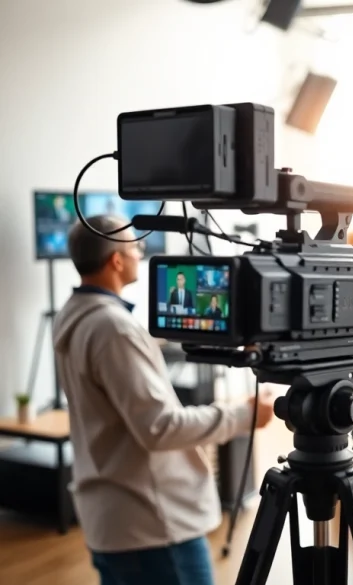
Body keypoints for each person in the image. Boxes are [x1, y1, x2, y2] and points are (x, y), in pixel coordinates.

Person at [53, 216, 275, 585]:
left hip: (111, 519)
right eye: (135, 247)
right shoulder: (113, 328)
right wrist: (243, 414)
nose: (141, 253)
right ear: (117, 261)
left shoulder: (72, 315)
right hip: (150, 525)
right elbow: (160, 428)